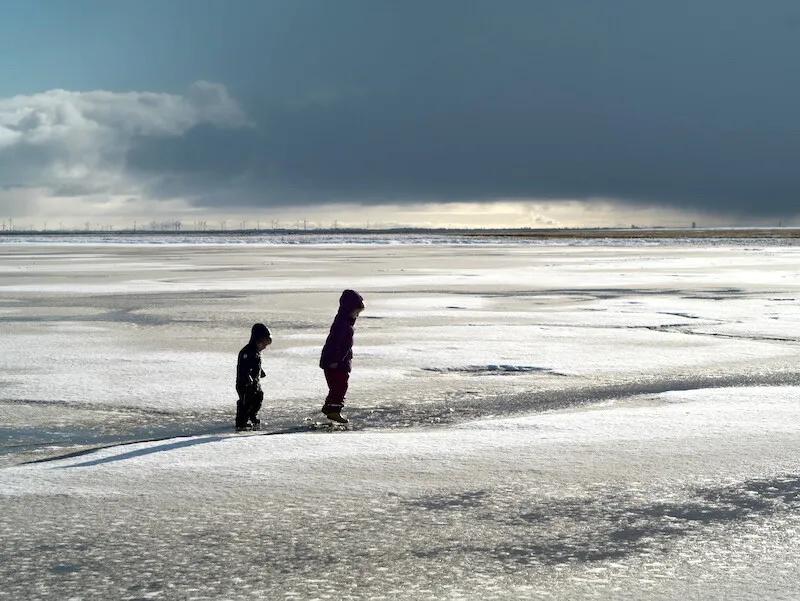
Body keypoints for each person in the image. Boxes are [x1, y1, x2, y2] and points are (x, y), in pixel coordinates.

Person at [319, 289, 364, 423]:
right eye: (356, 312)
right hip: (335, 363)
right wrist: (335, 360)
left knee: (338, 385)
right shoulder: (343, 325)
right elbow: (337, 344)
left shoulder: (344, 322)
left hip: (339, 362)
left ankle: (330, 407)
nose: (357, 315)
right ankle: (333, 410)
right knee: (340, 386)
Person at [235, 323, 272, 431]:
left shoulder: (256, 352)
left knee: (258, 397)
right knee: (245, 402)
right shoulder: (247, 352)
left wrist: (260, 372)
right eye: (265, 343)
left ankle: (252, 416)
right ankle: (241, 422)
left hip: (254, 383)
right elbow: (245, 367)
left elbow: (255, 364)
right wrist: (248, 378)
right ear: (258, 340)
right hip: (244, 383)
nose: (265, 347)